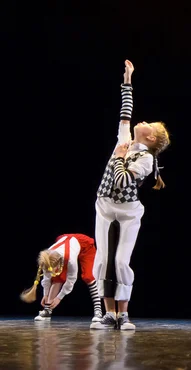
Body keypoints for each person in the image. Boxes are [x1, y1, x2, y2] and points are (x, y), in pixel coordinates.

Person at [91, 59, 171, 330]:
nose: (143, 121)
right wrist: (127, 81)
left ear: (151, 139)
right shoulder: (125, 141)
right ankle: (109, 313)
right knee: (103, 260)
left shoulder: (146, 159)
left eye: (149, 124)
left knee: (121, 260)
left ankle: (124, 313)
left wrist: (119, 156)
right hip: (105, 204)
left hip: (128, 210)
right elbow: (125, 114)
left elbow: (123, 179)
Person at [20, 234, 102, 322]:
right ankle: (47, 310)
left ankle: (98, 311)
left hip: (85, 246)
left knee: (89, 276)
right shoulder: (47, 260)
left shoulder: (70, 258)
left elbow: (71, 279)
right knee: (56, 278)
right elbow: (47, 280)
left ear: (59, 263)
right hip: (65, 243)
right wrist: (46, 295)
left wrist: (59, 297)